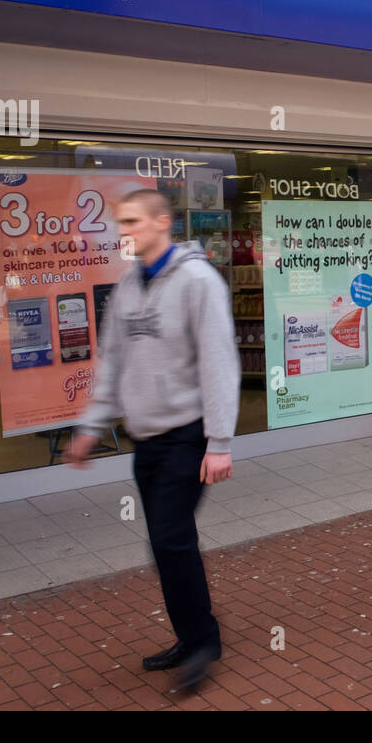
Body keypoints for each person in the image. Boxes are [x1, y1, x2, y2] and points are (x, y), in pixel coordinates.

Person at [65, 189, 239, 692]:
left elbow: (219, 363)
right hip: (146, 441)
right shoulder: (127, 286)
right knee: (168, 544)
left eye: (134, 221)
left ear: (163, 222)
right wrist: (90, 425)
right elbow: (113, 362)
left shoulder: (197, 281)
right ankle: (193, 635)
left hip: (187, 435)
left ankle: (203, 642)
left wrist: (220, 441)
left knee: (170, 537)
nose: (125, 230)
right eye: (121, 222)